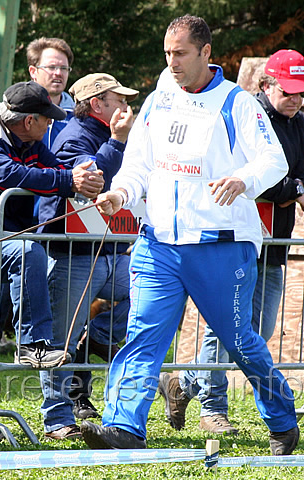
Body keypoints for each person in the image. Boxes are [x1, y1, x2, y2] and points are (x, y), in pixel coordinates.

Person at [81, 15, 300, 456]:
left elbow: (274, 161)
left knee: (239, 342)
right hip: (158, 242)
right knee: (143, 334)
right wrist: (120, 193)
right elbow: (140, 165)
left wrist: (242, 180)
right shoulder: (159, 101)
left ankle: (281, 416)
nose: (172, 61)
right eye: (168, 53)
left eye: (180, 53)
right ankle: (124, 427)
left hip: (221, 245)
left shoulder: (238, 103)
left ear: (205, 53)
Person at [0, 80, 104, 441]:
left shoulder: (32, 141)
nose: (51, 126)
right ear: (29, 121)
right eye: (47, 120)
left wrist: (85, 178)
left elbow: (56, 169)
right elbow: (7, 175)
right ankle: (34, 343)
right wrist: (66, 180)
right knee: (28, 251)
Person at [161, 49, 304, 436]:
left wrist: (290, 187)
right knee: (222, 326)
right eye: (287, 91)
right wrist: (291, 187)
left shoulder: (299, 124)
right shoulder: (244, 114)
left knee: (253, 332)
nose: (295, 99)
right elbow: (257, 178)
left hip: (274, 244)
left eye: (300, 92)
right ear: (265, 85)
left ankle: (183, 383)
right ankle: (213, 407)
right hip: (230, 239)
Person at [37, 73, 137, 437]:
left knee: (151, 289)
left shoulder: (111, 134)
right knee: (61, 339)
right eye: (118, 99)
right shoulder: (74, 136)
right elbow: (94, 179)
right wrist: (117, 140)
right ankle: (57, 419)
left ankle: (95, 337)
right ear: (97, 104)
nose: (126, 106)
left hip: (112, 249)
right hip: (73, 253)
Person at [26, 37, 75, 149]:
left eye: (64, 68)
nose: (58, 73)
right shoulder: (11, 112)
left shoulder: (78, 117)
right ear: (33, 72)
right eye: (51, 67)